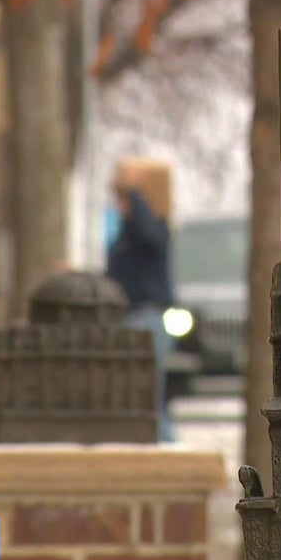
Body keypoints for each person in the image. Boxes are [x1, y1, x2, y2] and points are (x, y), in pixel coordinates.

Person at [106, 167, 175, 442]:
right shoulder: (125, 237)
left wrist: (134, 192)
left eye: (123, 200)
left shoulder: (154, 230)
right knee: (138, 399)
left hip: (148, 318)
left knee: (149, 399)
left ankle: (169, 449)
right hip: (129, 318)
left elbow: (148, 233)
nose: (119, 205)